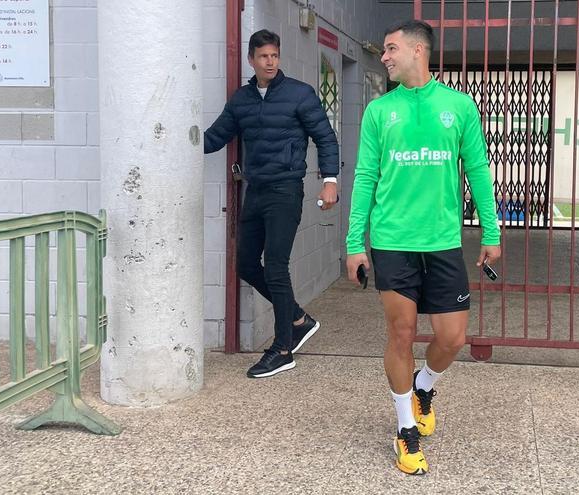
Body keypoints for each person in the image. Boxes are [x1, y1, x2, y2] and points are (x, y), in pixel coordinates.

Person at [345, 20, 501, 475]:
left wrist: (490, 232)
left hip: (443, 242)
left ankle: (424, 385)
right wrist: (356, 243)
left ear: (418, 50)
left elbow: (479, 170)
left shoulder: (459, 106)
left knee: (452, 339)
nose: (385, 57)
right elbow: (365, 178)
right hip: (392, 241)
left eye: (391, 49)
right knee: (402, 333)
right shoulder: (379, 112)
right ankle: (405, 429)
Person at [204, 29, 340, 378]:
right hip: (257, 190)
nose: (270, 62)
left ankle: (283, 348)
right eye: (263, 56)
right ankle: (297, 318)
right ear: (252, 59)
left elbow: (325, 137)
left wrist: (329, 182)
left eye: (274, 56)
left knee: (276, 265)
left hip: (285, 190)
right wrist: (175, 141)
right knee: (246, 264)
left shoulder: (299, 94)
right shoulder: (241, 100)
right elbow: (216, 137)